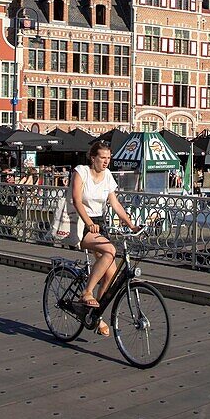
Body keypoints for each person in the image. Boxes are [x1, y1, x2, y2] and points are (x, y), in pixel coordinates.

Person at [71, 142, 139, 338]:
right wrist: (89, 222)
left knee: (111, 275)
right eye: (102, 157)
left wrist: (130, 223)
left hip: (101, 225)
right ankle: (87, 292)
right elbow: (77, 200)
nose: (106, 161)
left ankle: (96, 316)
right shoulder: (81, 172)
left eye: (108, 158)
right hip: (84, 223)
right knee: (110, 251)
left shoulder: (108, 176)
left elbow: (115, 203)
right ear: (93, 158)